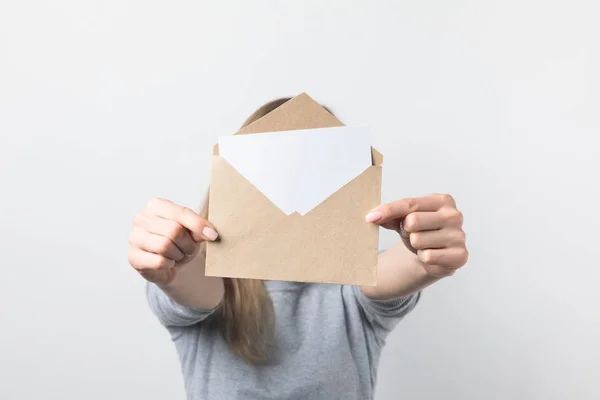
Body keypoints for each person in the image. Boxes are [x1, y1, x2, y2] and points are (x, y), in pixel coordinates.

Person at [127, 98, 469, 400]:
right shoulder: (203, 278)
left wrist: (422, 254)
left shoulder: (351, 287)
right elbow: (191, 284)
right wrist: (173, 261)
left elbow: (385, 276)